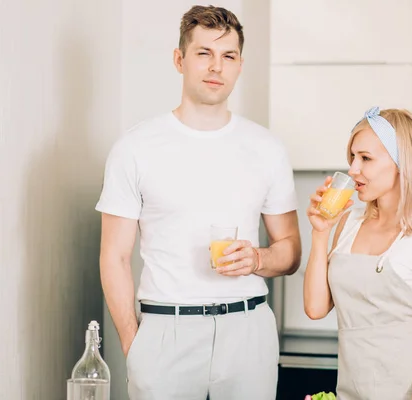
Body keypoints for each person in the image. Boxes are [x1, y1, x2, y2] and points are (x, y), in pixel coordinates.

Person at [96, 5, 301, 400]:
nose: (216, 67)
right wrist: (133, 343)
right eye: (204, 53)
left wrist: (258, 259)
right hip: (164, 332)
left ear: (240, 65)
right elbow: (114, 257)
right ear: (179, 59)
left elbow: (290, 251)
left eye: (228, 56)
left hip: (248, 330)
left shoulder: (268, 149)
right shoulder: (135, 148)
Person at [303, 107, 412, 399]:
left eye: (366, 158)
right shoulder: (347, 223)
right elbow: (315, 308)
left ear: (403, 163)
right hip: (352, 391)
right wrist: (320, 233)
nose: (353, 169)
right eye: (352, 157)